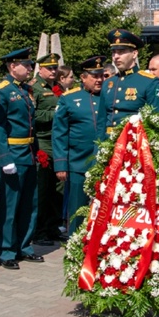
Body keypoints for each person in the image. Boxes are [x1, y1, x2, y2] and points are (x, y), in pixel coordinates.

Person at [0, 48, 42, 270]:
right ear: (13, 66)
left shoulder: (26, 90)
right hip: (13, 154)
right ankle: (6, 251)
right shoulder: (0, 91)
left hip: (29, 153)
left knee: (29, 204)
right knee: (10, 206)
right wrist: (4, 157)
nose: (30, 68)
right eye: (27, 64)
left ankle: (24, 246)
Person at [52, 56, 104, 237]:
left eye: (101, 76)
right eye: (94, 76)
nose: (99, 80)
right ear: (83, 78)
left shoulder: (109, 97)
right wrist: (60, 164)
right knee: (77, 211)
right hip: (78, 163)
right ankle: (75, 244)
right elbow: (59, 133)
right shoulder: (69, 99)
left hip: (105, 164)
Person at [98, 29, 159, 134]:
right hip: (108, 145)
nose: (116, 56)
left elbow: (157, 120)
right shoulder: (108, 83)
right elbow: (101, 121)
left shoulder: (148, 82)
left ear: (134, 54)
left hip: (134, 144)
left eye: (121, 52)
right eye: (114, 52)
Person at [32, 53, 63, 246]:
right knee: (42, 190)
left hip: (56, 142)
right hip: (42, 141)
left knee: (57, 189)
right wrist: (54, 113)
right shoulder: (34, 88)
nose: (53, 71)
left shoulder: (56, 88)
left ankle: (53, 227)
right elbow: (32, 114)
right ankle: (39, 230)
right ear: (40, 69)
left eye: (55, 68)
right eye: (49, 68)